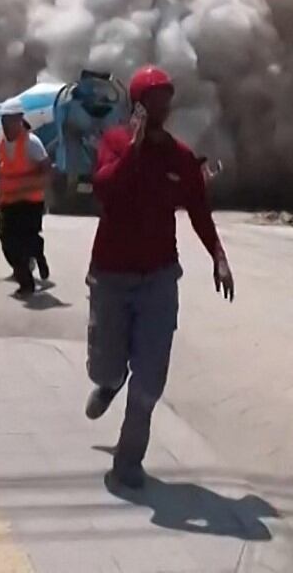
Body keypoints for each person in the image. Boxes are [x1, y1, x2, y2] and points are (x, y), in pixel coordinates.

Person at [85, 66, 235, 490]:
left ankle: (129, 460)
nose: (162, 109)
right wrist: (132, 148)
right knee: (105, 365)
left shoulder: (181, 158)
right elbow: (104, 189)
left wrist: (218, 256)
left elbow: (199, 210)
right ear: (137, 106)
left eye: (166, 101)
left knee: (150, 376)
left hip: (158, 279)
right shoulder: (114, 143)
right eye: (153, 101)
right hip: (111, 276)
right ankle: (111, 381)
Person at [0, 99, 52, 296]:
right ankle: (28, 265)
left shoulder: (32, 143)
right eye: (3, 119)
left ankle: (27, 282)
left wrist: (34, 184)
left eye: (9, 119)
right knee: (8, 242)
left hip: (30, 201)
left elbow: (46, 169)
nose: (5, 123)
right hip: (8, 202)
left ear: (19, 120)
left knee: (26, 240)